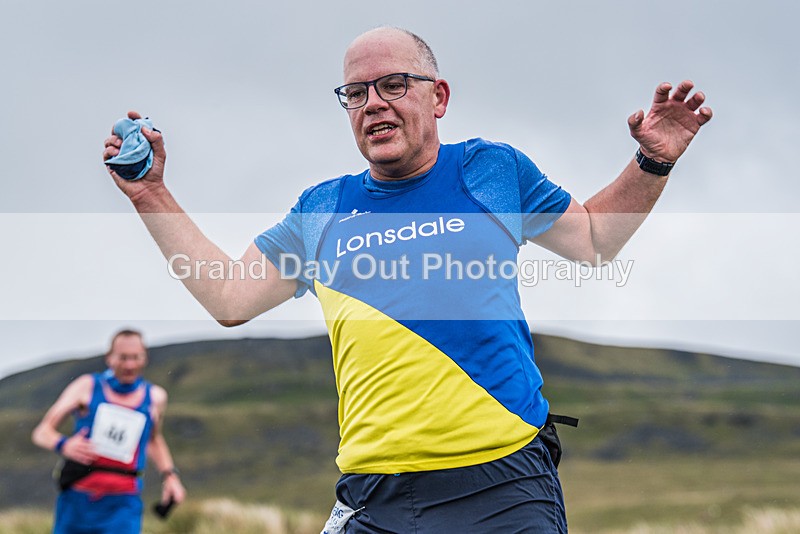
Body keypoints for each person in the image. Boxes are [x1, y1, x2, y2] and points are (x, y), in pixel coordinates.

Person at [102, 27, 711, 533]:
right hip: (375, 499)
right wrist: (151, 193)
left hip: (504, 489)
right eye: (356, 92)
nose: (373, 103)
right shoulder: (322, 209)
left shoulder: (491, 170)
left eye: (394, 84)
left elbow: (596, 239)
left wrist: (653, 160)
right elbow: (228, 296)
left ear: (438, 96)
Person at [32, 329, 186, 534]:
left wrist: (170, 477)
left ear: (145, 358)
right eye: (123, 358)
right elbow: (42, 432)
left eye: (135, 357)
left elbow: (153, 440)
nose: (129, 365)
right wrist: (64, 444)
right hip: (78, 502)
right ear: (109, 358)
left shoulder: (155, 397)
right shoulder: (86, 386)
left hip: (124, 505)